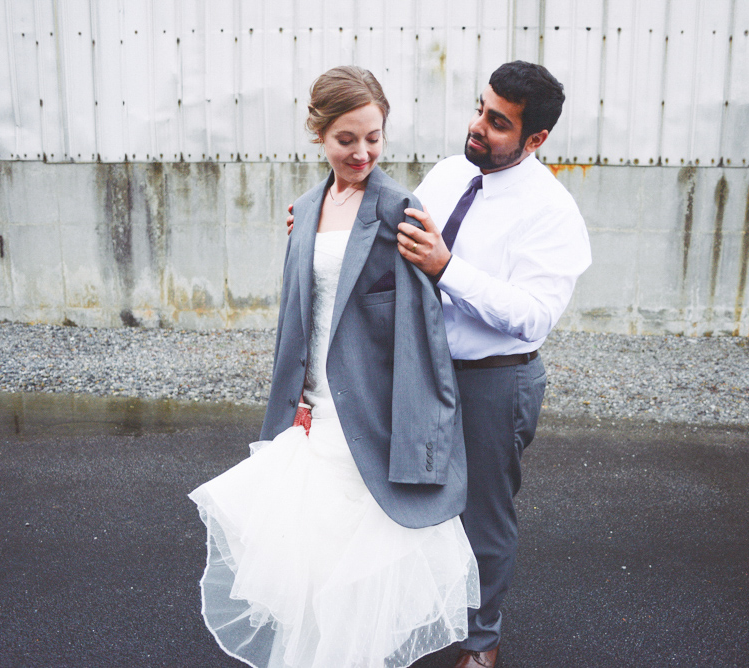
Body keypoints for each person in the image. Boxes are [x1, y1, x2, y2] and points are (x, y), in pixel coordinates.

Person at [189, 66, 479, 668]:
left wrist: (422, 438)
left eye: (374, 137)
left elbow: (421, 339)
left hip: (370, 426)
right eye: (348, 139)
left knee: (359, 584)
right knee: (310, 574)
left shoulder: (401, 209)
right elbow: (300, 320)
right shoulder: (304, 208)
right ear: (319, 134)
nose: (363, 152)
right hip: (312, 418)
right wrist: (295, 398)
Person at [395, 61, 592, 668]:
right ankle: (410, 616)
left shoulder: (552, 212)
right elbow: (395, 238)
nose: (478, 127)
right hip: (424, 368)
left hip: (495, 381)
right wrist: (321, 221)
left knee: (483, 515)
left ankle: (481, 644)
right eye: (480, 109)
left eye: (498, 122)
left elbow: (534, 315)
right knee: (407, 496)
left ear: (536, 139)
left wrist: (447, 268)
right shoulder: (450, 172)